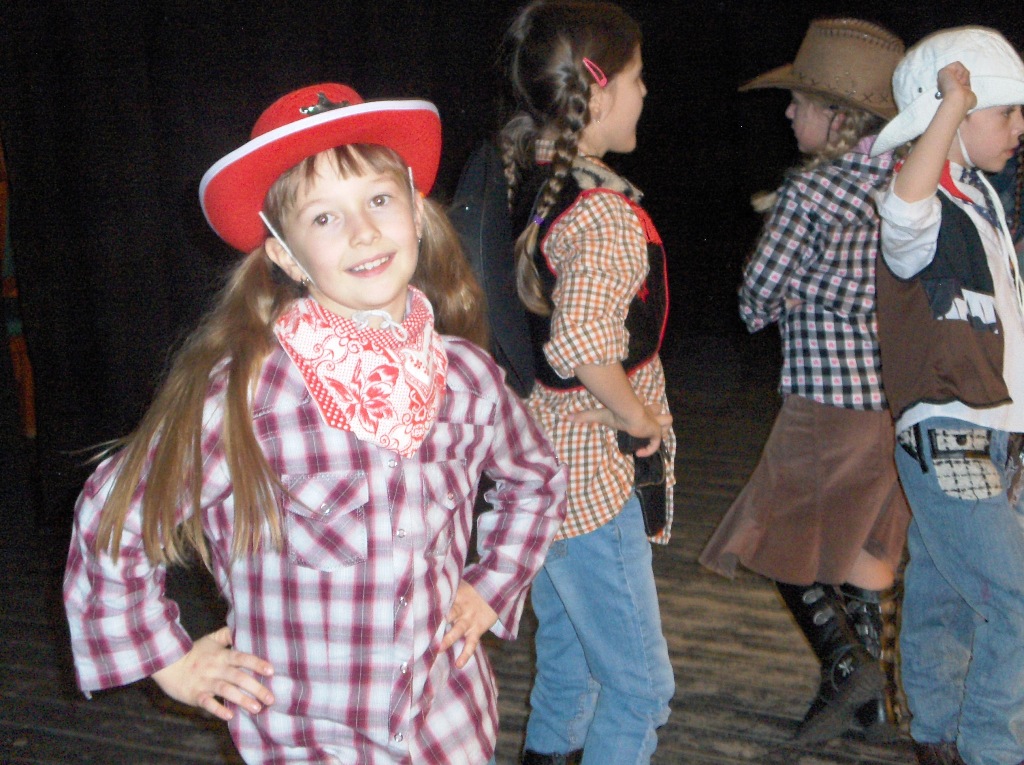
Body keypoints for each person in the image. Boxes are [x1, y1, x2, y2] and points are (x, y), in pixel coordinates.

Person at [62, 81, 568, 765]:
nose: (363, 231)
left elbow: (537, 478)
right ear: (284, 255)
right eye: (323, 217)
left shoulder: (467, 378)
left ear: (416, 211)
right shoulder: (247, 395)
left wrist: (491, 584)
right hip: (308, 740)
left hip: (447, 728)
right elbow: (114, 514)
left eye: (379, 200)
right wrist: (166, 659)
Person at [698, 18, 910, 744]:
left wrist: (791, 291)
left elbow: (756, 299)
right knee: (865, 548)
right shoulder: (906, 184)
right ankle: (872, 705)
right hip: (888, 401)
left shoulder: (809, 194)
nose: (789, 112)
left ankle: (848, 666)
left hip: (825, 400)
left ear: (838, 116)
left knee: (774, 537)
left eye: (801, 102)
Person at [497, 2, 676, 763]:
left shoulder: (529, 175)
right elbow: (581, 343)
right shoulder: (601, 214)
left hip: (544, 458)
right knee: (640, 689)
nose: (646, 92)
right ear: (597, 92)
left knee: (571, 665)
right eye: (637, 77)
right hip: (591, 472)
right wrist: (638, 418)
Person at [870, 26, 1024, 765]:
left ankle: (938, 737)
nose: (1020, 126)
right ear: (951, 116)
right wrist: (953, 105)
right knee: (1014, 596)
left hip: (983, 429)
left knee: (945, 591)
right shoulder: (923, 202)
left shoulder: (978, 203)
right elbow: (903, 217)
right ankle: (992, 747)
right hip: (950, 430)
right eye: (1007, 111)